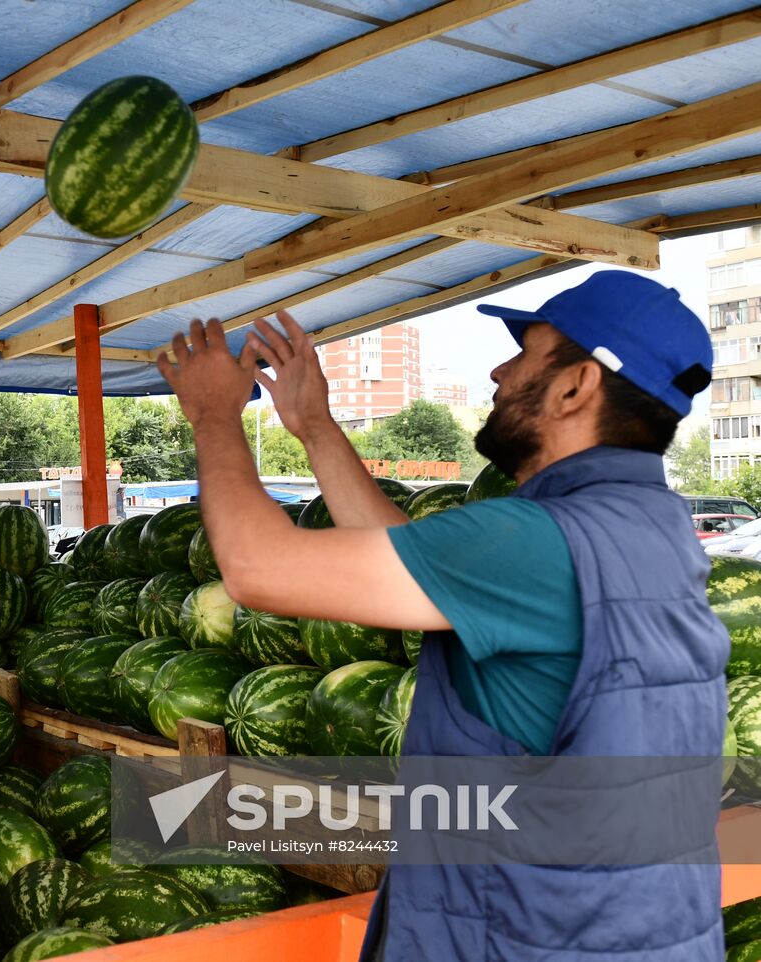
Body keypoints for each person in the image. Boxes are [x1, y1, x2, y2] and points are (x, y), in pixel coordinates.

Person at [157, 270, 729, 960]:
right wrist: (314, 427)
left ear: (576, 386)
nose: (499, 371)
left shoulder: (537, 540)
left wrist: (214, 415)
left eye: (525, 355)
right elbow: (417, 567)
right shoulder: (649, 528)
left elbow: (257, 569)